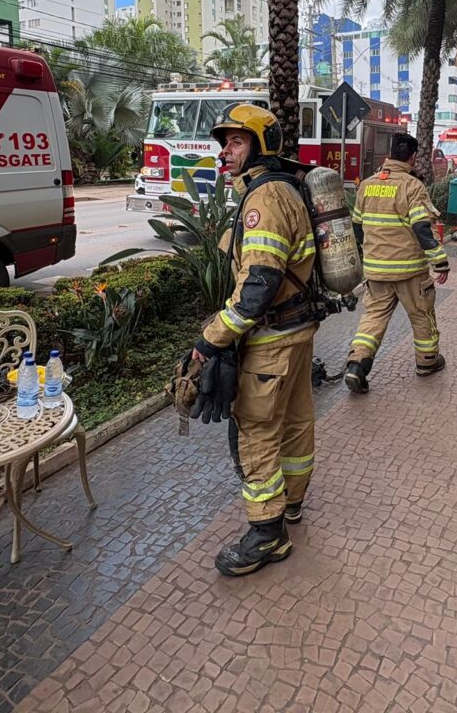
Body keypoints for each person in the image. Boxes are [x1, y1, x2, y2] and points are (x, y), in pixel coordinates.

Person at [190, 103, 318, 577]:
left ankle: (268, 534)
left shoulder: (264, 200)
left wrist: (210, 338)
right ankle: (293, 504)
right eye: (225, 141)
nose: (226, 150)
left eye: (237, 141)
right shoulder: (288, 187)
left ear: (262, 145)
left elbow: (257, 289)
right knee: (298, 420)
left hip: (271, 339)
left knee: (259, 430)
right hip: (299, 330)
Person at [343, 132, 449, 395]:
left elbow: (357, 226)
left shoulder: (366, 185)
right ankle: (426, 362)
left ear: (389, 154)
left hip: (376, 270)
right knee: (421, 314)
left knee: (373, 317)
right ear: (412, 157)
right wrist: (440, 262)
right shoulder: (412, 186)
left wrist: (368, 253)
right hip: (409, 270)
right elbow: (422, 228)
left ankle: (357, 364)